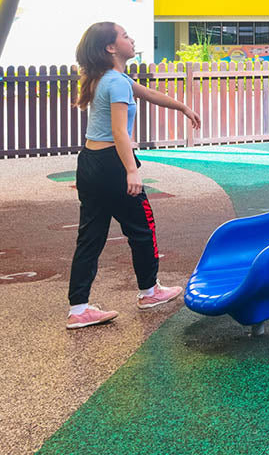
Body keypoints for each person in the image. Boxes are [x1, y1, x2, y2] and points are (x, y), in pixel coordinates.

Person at [65, 22, 201, 329]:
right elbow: (118, 132)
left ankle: (78, 308)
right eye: (124, 35)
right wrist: (130, 171)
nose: (131, 38)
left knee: (90, 237)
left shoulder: (108, 79)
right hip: (113, 163)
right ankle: (149, 291)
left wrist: (183, 108)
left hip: (90, 161)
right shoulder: (115, 83)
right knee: (143, 228)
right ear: (111, 48)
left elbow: (149, 94)